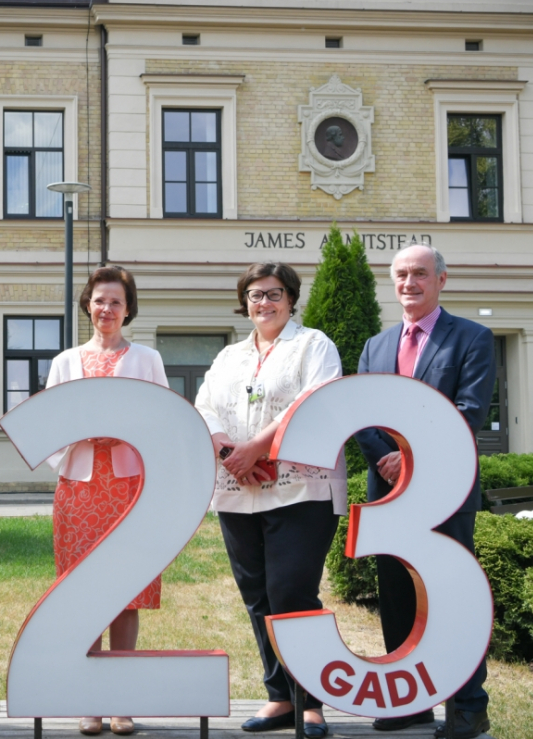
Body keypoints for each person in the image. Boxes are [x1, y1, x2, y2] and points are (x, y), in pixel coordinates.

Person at [195, 262, 345, 739]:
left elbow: (315, 399)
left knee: (292, 593)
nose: (264, 302)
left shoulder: (313, 345)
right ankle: (280, 697)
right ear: (245, 301)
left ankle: (311, 702)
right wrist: (229, 453)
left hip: (300, 490)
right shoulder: (228, 357)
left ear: (291, 298)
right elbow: (205, 406)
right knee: (258, 596)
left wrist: (257, 448)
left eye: (274, 293)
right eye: (255, 294)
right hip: (239, 491)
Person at [356, 245, 495, 739]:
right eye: (400, 274)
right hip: (388, 490)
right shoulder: (376, 345)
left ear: (441, 280)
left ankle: (468, 707)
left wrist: (411, 456)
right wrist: (388, 460)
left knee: (450, 593)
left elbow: (468, 410)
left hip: (445, 488)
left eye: (419, 273)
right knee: (395, 592)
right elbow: (361, 413)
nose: (408, 282)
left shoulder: (473, 338)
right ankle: (407, 702)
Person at [42, 266, 169, 738]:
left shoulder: (147, 359)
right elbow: (50, 422)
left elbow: (164, 420)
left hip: (129, 487)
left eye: (116, 301)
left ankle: (122, 701)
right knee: (82, 592)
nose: (107, 309)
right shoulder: (65, 361)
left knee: (126, 591)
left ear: (128, 308)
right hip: (79, 486)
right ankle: (89, 700)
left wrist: (127, 432)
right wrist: (79, 434)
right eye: (99, 301)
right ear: (87, 306)